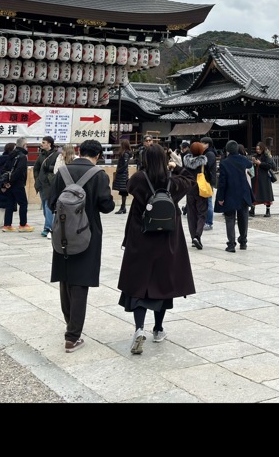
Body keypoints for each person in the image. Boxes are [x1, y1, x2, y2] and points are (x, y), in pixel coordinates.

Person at [118, 144, 195, 353]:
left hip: (141, 238)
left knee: (139, 284)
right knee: (162, 283)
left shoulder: (138, 180)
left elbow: (127, 186)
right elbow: (191, 179)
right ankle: (158, 328)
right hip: (166, 240)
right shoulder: (174, 182)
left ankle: (139, 328)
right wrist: (176, 166)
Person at [49, 139, 115, 353]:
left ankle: (71, 325)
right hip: (88, 234)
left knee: (65, 280)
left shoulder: (63, 172)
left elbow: (51, 203)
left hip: (62, 233)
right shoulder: (100, 175)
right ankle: (72, 336)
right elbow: (106, 206)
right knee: (80, 283)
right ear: (97, 155)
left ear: (79, 151)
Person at [215, 140, 254, 252]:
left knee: (230, 219)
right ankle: (243, 242)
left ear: (227, 150)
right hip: (243, 192)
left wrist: (221, 197)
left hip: (230, 193)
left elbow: (222, 182)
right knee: (243, 218)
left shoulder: (224, 162)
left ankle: (231, 244)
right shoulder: (243, 159)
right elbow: (250, 164)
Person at [180, 140, 210, 250]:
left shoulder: (186, 162)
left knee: (191, 214)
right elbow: (209, 176)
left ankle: (193, 238)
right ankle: (197, 236)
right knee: (202, 213)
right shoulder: (203, 162)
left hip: (189, 189)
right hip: (200, 189)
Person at [3, 137, 32, 232]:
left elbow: (5, 169)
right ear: (24, 145)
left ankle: (7, 225)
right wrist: (11, 182)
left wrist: (6, 183)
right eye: (26, 145)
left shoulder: (11, 155)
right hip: (17, 183)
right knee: (23, 203)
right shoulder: (22, 156)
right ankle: (23, 224)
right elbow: (19, 171)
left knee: (10, 204)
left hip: (9, 184)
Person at [32, 135, 58, 237]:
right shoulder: (41, 155)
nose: (41, 144)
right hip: (41, 184)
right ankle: (49, 225)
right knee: (45, 206)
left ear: (49, 144)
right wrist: (37, 179)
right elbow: (36, 168)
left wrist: (49, 175)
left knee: (48, 206)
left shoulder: (57, 155)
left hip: (50, 184)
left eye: (44, 142)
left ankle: (48, 228)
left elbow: (57, 168)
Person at [250, 142, 276, 217]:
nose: (258, 150)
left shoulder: (267, 156)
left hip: (264, 178)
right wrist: (253, 162)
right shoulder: (255, 156)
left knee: (266, 193)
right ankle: (252, 209)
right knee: (255, 193)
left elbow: (269, 166)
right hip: (256, 178)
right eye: (257, 149)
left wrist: (260, 163)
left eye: (259, 149)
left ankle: (268, 210)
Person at [113, 139, 132, 214]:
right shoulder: (125, 153)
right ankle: (123, 207)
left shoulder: (125, 154)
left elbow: (125, 165)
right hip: (123, 174)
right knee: (123, 191)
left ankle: (123, 207)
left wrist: (118, 170)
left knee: (123, 191)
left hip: (122, 174)